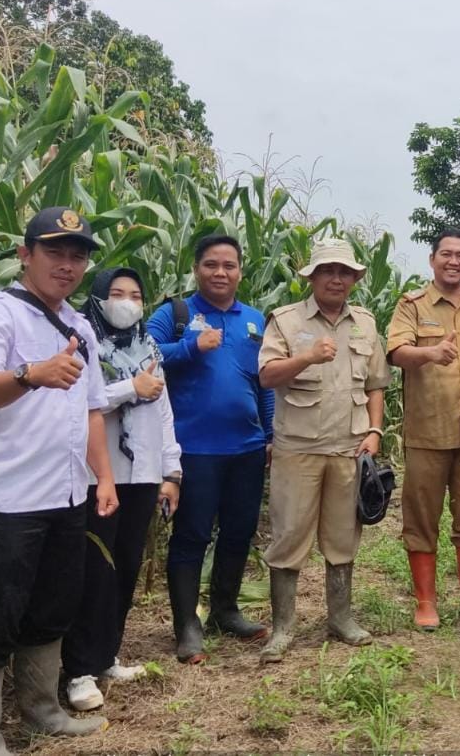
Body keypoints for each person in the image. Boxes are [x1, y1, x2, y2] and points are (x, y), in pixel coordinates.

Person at [0, 207, 116, 756]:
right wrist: (32, 374)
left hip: (65, 492)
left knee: (53, 604)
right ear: (25, 255)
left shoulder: (81, 325)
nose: (68, 265)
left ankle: (42, 708)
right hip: (4, 495)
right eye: (55, 253)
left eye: (78, 255)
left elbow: (94, 409)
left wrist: (104, 478)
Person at [257, 239, 391, 661]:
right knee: (289, 535)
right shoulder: (285, 321)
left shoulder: (365, 324)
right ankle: (282, 628)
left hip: (349, 448)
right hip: (298, 447)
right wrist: (307, 357)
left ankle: (341, 618)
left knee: (342, 536)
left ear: (354, 279)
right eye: (327, 271)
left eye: (344, 272)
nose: (336, 278)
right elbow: (266, 376)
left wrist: (375, 432)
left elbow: (375, 385)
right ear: (311, 277)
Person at [147, 235, 275, 663]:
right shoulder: (176, 314)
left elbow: (264, 383)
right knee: (192, 536)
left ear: (241, 270)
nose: (220, 273)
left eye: (229, 265)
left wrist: (270, 433)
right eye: (211, 265)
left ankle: (225, 609)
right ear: (196, 268)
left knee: (239, 532)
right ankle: (187, 625)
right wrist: (190, 346)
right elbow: (142, 359)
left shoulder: (254, 320)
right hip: (194, 450)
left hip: (247, 448)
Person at [62, 268, 183, 710]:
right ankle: (77, 670)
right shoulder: (81, 342)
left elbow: (164, 411)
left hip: (143, 472)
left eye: (135, 294)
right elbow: (80, 399)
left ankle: (106, 654)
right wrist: (131, 387)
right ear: (98, 297)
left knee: (126, 567)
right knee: (93, 570)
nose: (127, 302)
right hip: (98, 475)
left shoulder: (148, 346)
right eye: (116, 293)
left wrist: (172, 473)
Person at [386, 228, 460, 631]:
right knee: (422, 517)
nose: (454, 262)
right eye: (447, 255)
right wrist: (431, 353)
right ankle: (426, 602)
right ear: (433, 259)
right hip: (428, 433)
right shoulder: (412, 306)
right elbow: (397, 352)